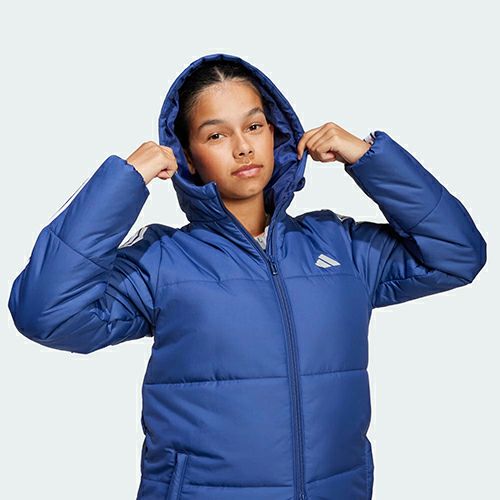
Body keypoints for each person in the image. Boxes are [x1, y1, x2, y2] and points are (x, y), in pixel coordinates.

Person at [8, 53, 487, 500]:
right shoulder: (162, 261)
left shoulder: (340, 246)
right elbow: (46, 314)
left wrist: (368, 157)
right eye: (216, 135)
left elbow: (457, 254)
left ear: (275, 134)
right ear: (187, 154)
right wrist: (124, 181)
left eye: (254, 126)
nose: (242, 147)